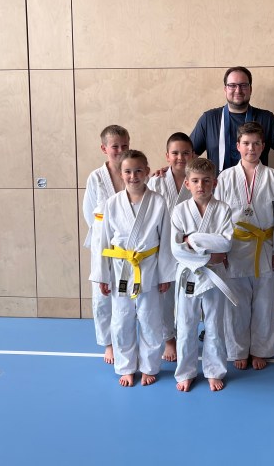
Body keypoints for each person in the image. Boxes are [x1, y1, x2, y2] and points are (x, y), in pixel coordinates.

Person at [214, 122, 274, 370]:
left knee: (264, 302)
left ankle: (260, 350)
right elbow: (218, 216)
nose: (251, 148)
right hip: (234, 249)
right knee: (236, 303)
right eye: (246, 143)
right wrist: (219, 249)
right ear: (238, 146)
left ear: (263, 146)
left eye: (256, 143)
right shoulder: (225, 177)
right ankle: (238, 350)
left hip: (265, 247)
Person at [90, 150, 175, 387]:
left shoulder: (158, 202)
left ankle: (149, 367)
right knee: (121, 320)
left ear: (147, 172)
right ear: (121, 173)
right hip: (121, 269)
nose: (133, 176)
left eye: (138, 171)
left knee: (150, 319)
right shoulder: (112, 203)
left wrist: (165, 274)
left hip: (150, 268)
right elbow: (103, 242)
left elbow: (166, 241)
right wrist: (103, 276)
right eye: (128, 171)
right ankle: (126, 367)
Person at [171, 158, 235, 392]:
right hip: (189, 275)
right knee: (185, 325)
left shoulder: (223, 209)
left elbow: (226, 244)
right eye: (196, 181)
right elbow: (176, 248)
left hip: (214, 277)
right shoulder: (179, 211)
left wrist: (193, 239)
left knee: (215, 324)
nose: (201, 186)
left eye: (206, 181)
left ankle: (214, 371)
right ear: (187, 183)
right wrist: (209, 256)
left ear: (215, 183)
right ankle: (185, 372)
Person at [190, 66, 274, 173]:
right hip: (218, 185)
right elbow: (189, 155)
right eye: (232, 85)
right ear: (225, 89)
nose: (238, 90)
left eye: (243, 85)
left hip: (256, 186)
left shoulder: (266, 118)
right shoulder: (209, 119)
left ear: (250, 89)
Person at [82, 125, 130, 365]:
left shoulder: (133, 170)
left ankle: (127, 340)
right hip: (102, 242)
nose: (120, 150)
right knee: (102, 295)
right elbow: (90, 213)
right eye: (115, 147)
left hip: (128, 245)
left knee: (128, 295)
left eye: (124, 145)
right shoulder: (96, 177)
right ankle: (109, 343)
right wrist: (106, 235)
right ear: (104, 148)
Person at [147, 133, 194, 362]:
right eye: (175, 153)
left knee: (189, 297)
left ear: (193, 155)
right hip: (163, 247)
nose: (180, 157)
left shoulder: (198, 180)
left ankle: (187, 336)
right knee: (165, 297)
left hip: (189, 248)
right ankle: (169, 339)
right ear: (167, 156)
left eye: (185, 153)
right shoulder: (155, 182)